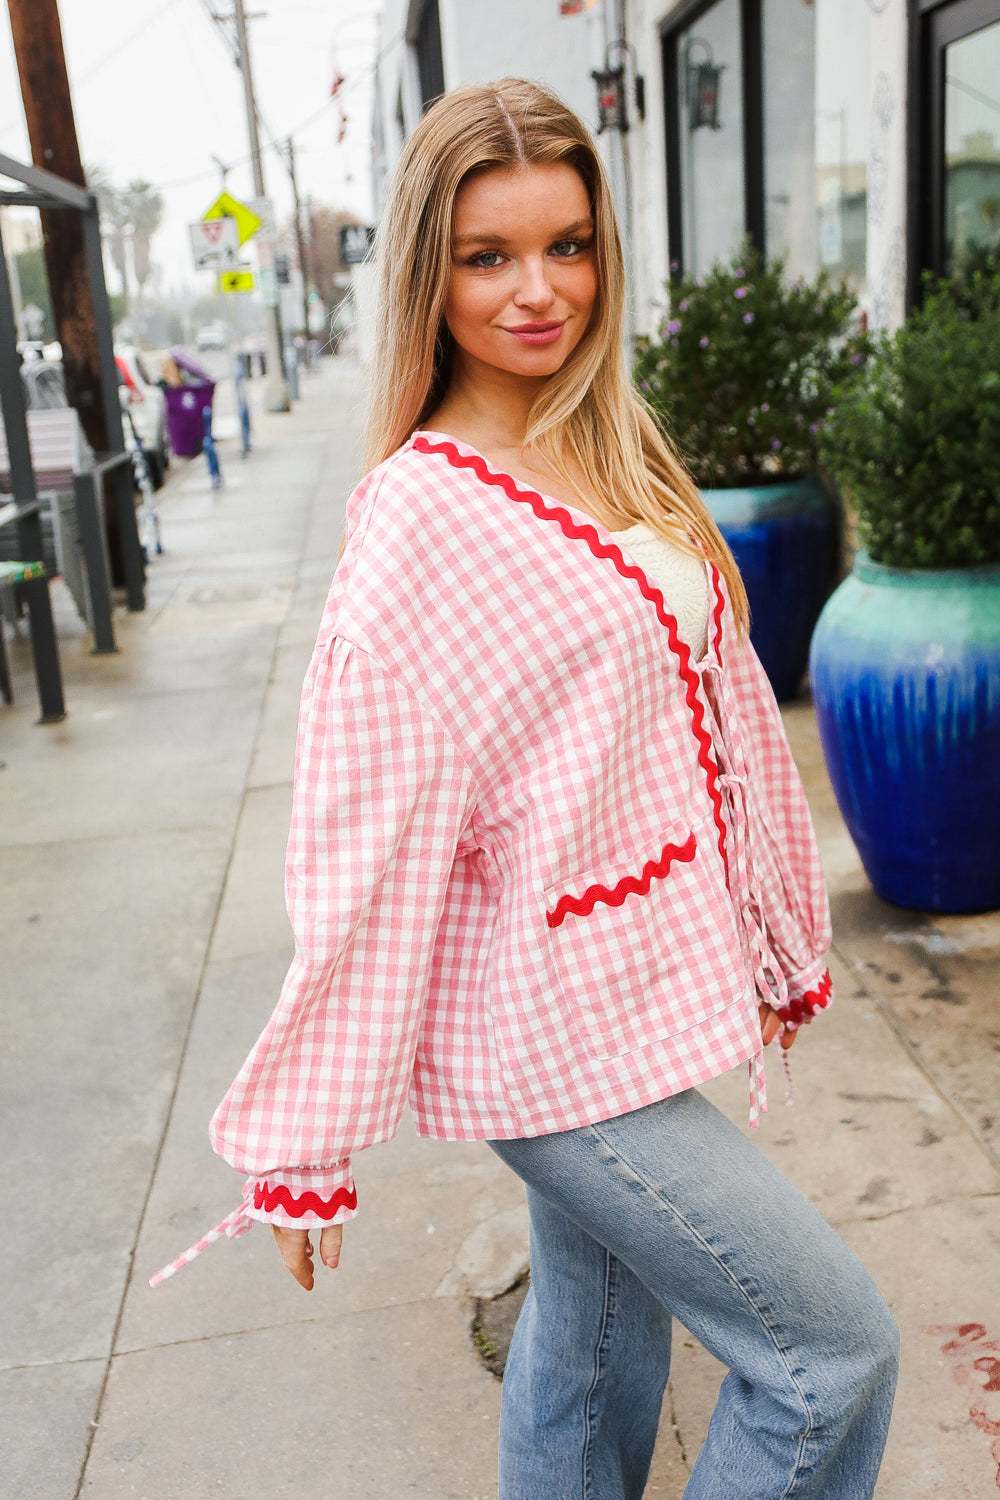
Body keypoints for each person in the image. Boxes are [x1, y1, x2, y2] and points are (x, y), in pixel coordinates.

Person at [166, 79, 899, 1498]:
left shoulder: (606, 440)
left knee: (591, 1341)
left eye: (566, 245)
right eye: (488, 256)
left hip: (630, 1001)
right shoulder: (421, 520)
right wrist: (306, 1133)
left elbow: (712, 722)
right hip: (552, 1045)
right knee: (827, 1357)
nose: (537, 291)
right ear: (427, 273)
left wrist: (754, 932)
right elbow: (363, 847)